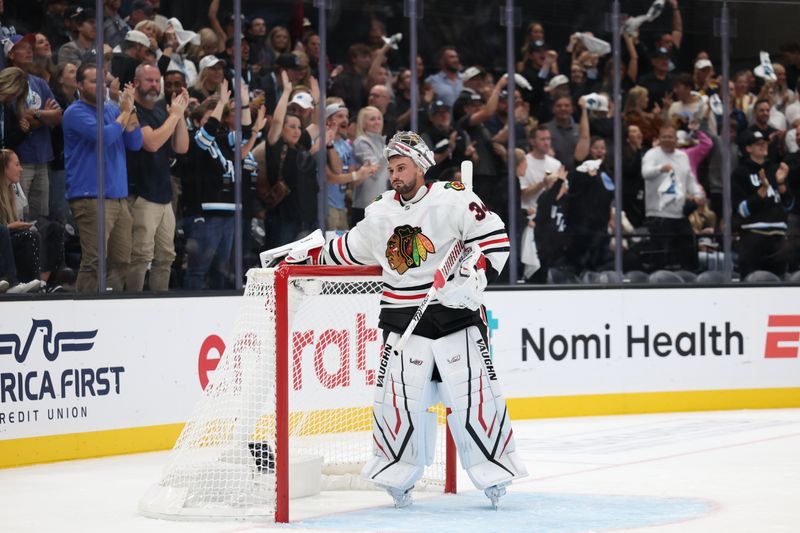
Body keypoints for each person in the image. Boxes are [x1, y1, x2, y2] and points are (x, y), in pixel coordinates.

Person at [318, 131, 527, 508]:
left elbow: (495, 242)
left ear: (422, 165)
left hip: (453, 316)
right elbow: (352, 247)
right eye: (392, 169)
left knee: (475, 397)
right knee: (395, 402)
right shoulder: (380, 211)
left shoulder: (454, 198)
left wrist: (474, 275)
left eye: (402, 167)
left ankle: (494, 473)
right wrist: (309, 254)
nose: (395, 175)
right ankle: (396, 475)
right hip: (401, 320)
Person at [63, 63, 142, 292]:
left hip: (118, 197)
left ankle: (110, 310)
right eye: (93, 81)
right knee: (94, 261)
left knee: (121, 260)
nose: (100, 87)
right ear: (79, 85)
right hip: (91, 197)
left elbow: (135, 142)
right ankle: (84, 313)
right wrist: (125, 111)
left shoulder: (111, 110)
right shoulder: (75, 112)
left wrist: (131, 109)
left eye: (103, 82)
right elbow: (105, 137)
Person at [125, 64, 189, 292]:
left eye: (156, 80)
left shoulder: (163, 112)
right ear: (136, 83)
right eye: (149, 80)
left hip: (163, 194)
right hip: (141, 193)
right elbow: (150, 143)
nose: (154, 84)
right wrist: (174, 116)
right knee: (141, 254)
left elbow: (181, 148)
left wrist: (179, 116)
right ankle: (131, 301)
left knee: (166, 256)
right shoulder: (133, 111)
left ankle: (158, 300)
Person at [6, 33, 63, 221]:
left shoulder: (39, 82)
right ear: (11, 54)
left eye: (31, 47)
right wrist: (43, 115)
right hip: (19, 160)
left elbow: (57, 116)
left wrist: (36, 114)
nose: (29, 50)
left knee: (40, 217)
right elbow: (16, 118)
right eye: (23, 47)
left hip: (43, 156)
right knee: (18, 214)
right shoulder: (7, 82)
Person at [641, 124, 705, 271]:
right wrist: (660, 169)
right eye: (664, 137)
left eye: (670, 137)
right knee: (660, 256)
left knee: (689, 251)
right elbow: (646, 173)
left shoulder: (683, 156)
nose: (667, 140)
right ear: (659, 138)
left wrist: (697, 194)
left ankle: (691, 278)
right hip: (658, 215)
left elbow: (690, 180)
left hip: (680, 214)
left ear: (676, 139)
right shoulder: (651, 154)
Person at [732, 130, 793, 278]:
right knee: (751, 283)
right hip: (754, 236)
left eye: (764, 143)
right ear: (748, 148)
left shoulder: (775, 170)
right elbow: (742, 210)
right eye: (758, 144)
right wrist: (763, 190)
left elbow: (789, 205)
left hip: (778, 237)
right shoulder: (740, 173)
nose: (763, 146)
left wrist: (780, 183)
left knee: (780, 284)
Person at [352, 106, 389, 226]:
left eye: (379, 118)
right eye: (372, 119)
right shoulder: (361, 142)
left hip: (382, 204)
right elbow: (374, 170)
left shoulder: (382, 142)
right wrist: (390, 150)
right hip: (365, 205)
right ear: (363, 123)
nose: (377, 122)